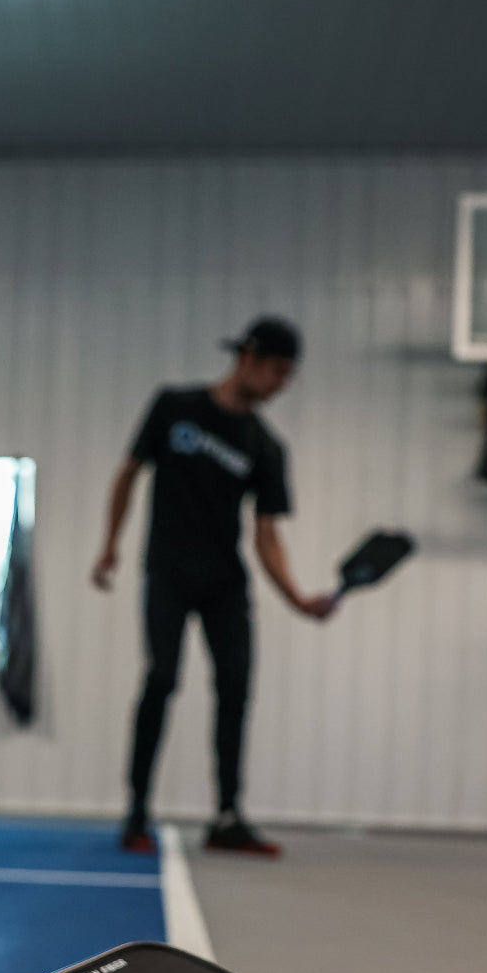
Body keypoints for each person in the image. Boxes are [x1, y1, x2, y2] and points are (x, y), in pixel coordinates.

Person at [91, 316, 335, 856]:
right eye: (275, 371)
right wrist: (111, 545)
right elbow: (129, 472)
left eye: (287, 377)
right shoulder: (174, 406)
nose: (279, 386)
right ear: (246, 357)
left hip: (225, 581)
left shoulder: (266, 447)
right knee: (162, 679)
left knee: (235, 688)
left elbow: (267, 534)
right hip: (168, 572)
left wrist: (296, 597)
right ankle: (136, 811)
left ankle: (228, 816)